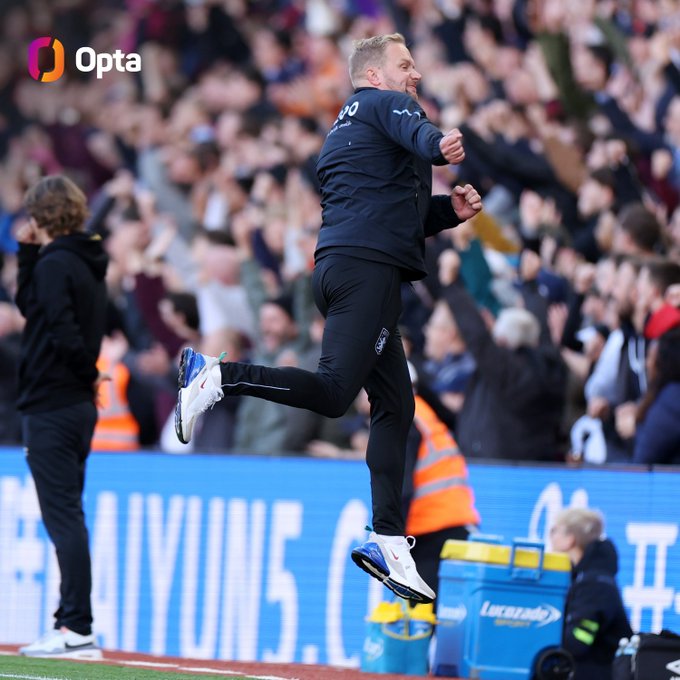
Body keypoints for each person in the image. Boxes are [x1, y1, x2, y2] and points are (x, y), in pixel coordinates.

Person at [174, 33, 482, 603]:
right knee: (337, 392)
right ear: (374, 75)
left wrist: (449, 211)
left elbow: (389, 211)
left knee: (396, 406)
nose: (415, 74)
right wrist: (440, 145)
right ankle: (215, 376)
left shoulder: (348, 129)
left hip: (345, 267)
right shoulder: (387, 104)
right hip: (367, 273)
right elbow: (421, 136)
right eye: (405, 65)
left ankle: (387, 539)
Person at [15, 175, 108, 659]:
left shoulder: (56, 264)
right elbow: (34, 308)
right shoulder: (82, 259)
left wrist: (86, 373)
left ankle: (75, 626)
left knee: (63, 517)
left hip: (53, 401)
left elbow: (59, 329)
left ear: (40, 215)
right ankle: (71, 622)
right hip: (73, 404)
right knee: (68, 514)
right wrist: (28, 254)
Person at [403, 362, 480, 598]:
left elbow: (402, 486)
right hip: (453, 526)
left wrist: (392, 537)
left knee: (421, 613)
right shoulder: (423, 414)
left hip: (432, 531)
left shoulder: (403, 418)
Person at [550, 508, 632, 680]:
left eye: (554, 530)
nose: (551, 537)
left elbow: (577, 642)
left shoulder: (595, 585)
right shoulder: (582, 578)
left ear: (570, 539)